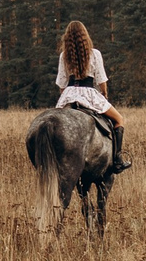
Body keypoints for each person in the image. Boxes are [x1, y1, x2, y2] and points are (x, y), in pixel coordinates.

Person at [53, 20, 129, 173]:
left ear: (67, 38)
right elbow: (101, 80)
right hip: (90, 93)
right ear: (84, 36)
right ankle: (118, 159)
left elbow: (61, 85)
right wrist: (104, 95)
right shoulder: (95, 54)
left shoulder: (63, 56)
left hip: (69, 95)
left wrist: (68, 94)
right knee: (119, 119)